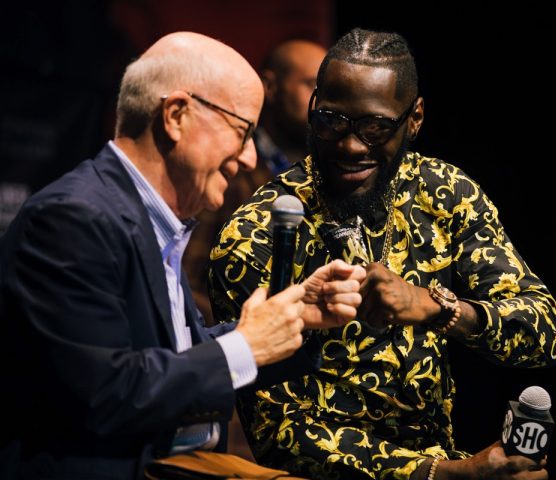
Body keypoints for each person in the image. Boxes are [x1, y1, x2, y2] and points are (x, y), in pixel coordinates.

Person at [0, 31, 364, 479]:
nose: (250, 158)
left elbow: (171, 357)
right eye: (243, 131)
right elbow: (107, 394)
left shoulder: (151, 221)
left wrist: (294, 319)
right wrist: (245, 345)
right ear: (176, 115)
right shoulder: (73, 219)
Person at [209, 29, 556, 480]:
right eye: (332, 120)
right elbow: (280, 434)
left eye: (375, 127)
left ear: (414, 118)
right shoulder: (259, 233)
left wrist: (437, 308)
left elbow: (542, 332)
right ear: (313, 106)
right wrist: (447, 474)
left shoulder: (446, 194)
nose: (351, 145)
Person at [183, 39, 327, 323]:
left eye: (328, 92)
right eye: (310, 85)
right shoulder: (231, 169)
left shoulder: (325, 171)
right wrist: (245, 336)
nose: (320, 103)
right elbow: (184, 281)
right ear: (271, 87)